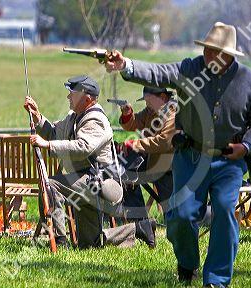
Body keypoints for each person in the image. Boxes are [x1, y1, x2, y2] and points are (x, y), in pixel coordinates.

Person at [105, 22, 251, 287]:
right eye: (206, 49)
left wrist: (248, 146)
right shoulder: (188, 69)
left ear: (228, 55)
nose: (207, 55)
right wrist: (126, 65)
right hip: (190, 156)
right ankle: (187, 263)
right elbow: (157, 73)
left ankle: (216, 280)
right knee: (180, 216)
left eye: (214, 51)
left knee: (224, 211)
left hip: (229, 161)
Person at [24, 75, 156, 249]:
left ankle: (59, 241)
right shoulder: (74, 116)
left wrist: (47, 145)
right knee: (90, 245)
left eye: (72, 93)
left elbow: (83, 147)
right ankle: (137, 228)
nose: (68, 97)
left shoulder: (96, 120)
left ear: (86, 99)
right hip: (86, 181)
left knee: (51, 185)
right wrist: (37, 117)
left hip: (101, 184)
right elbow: (55, 133)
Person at [119, 86, 177, 219]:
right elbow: (134, 123)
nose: (147, 104)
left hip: (170, 168)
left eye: (149, 101)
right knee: (125, 174)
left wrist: (135, 144)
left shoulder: (173, 114)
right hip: (154, 163)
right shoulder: (151, 111)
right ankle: (138, 220)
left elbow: (164, 142)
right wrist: (128, 114)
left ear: (162, 97)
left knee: (174, 213)